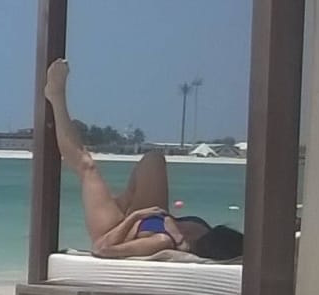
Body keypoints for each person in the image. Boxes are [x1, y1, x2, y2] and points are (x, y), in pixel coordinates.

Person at [43, 59, 244, 260]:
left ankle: (56, 96)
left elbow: (101, 248)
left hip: (113, 229)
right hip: (151, 216)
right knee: (154, 160)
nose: (193, 231)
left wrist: (136, 217)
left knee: (87, 166)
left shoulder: (162, 241)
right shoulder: (202, 229)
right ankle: (120, 202)